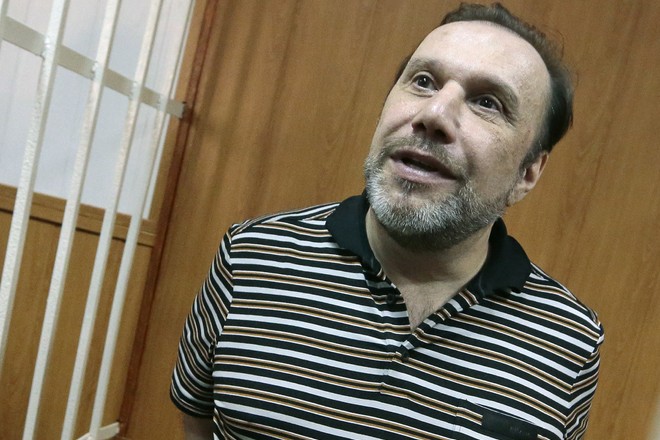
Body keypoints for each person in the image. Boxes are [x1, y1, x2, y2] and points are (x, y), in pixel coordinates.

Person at [170, 3, 604, 439]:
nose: (434, 114)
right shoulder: (250, 255)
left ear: (528, 173)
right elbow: (198, 424)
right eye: (423, 81)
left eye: (487, 102)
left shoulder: (571, 340)